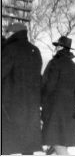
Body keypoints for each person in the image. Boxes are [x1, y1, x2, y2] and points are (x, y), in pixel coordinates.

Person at [2, 22, 43, 155]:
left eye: (7, 32)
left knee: (6, 143)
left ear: (13, 33)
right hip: (31, 105)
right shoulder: (35, 50)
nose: (6, 34)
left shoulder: (9, 49)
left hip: (11, 104)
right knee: (27, 144)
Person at [41, 36, 75, 155]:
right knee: (60, 140)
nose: (56, 48)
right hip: (69, 109)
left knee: (56, 141)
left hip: (54, 108)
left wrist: (42, 102)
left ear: (61, 47)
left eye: (57, 46)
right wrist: (72, 101)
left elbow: (48, 85)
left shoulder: (54, 63)